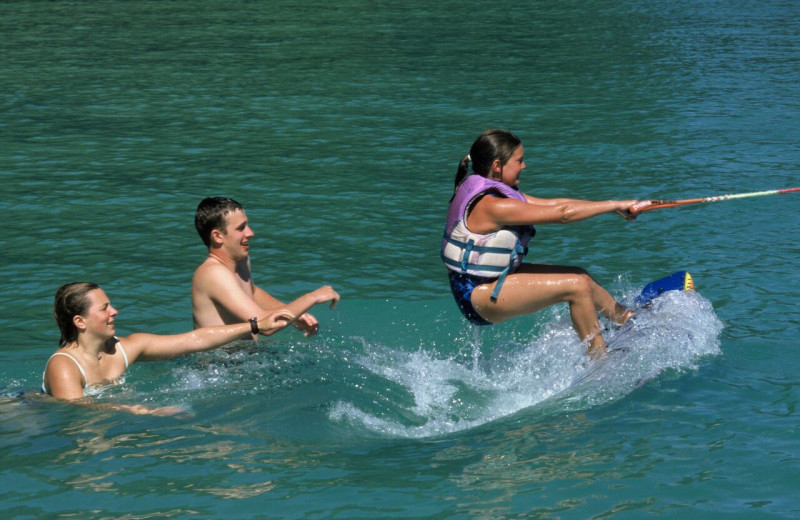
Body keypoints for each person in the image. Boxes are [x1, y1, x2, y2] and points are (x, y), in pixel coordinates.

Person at [442, 129, 640, 358]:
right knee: (575, 286)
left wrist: (616, 207)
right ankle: (599, 361)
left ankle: (625, 319)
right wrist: (613, 205)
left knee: (581, 276)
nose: (524, 166)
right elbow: (563, 214)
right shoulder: (491, 206)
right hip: (475, 294)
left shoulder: (495, 192)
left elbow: (556, 204)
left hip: (490, 279)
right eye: (519, 161)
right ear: (497, 165)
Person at [43, 282, 296, 407]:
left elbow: (193, 340)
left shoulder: (124, 348)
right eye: (105, 308)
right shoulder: (65, 366)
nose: (115, 311)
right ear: (80, 321)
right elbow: (78, 411)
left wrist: (255, 325)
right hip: (31, 412)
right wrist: (145, 412)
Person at [192, 197, 339, 335]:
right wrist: (312, 297)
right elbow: (264, 326)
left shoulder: (241, 261)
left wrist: (291, 314)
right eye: (241, 228)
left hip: (246, 356)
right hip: (219, 361)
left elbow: (252, 292)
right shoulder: (213, 273)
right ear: (217, 236)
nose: (250, 233)